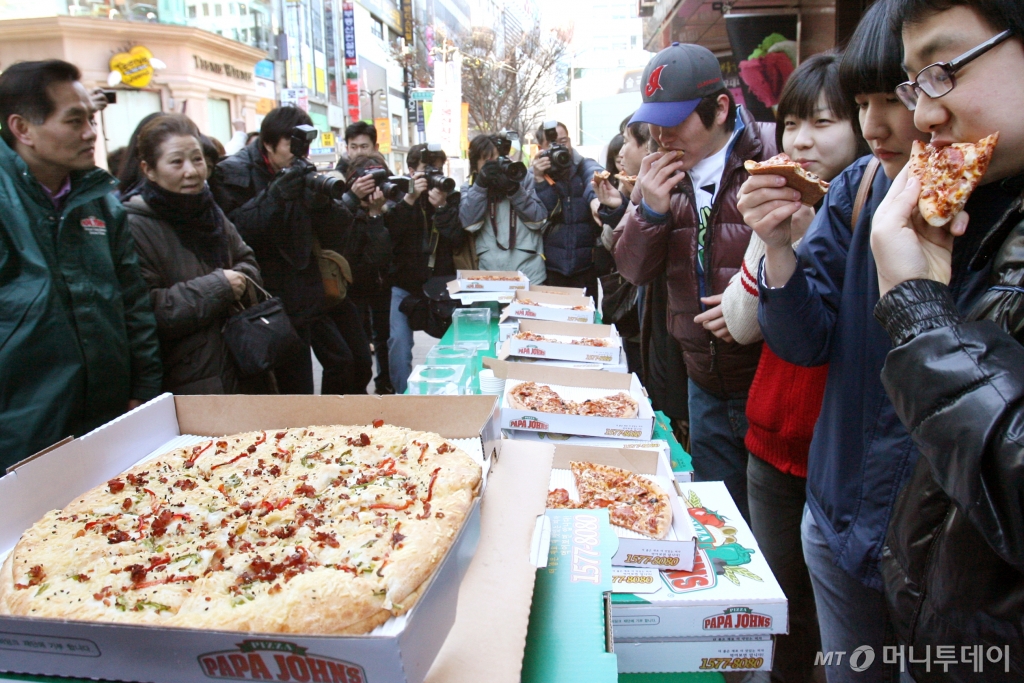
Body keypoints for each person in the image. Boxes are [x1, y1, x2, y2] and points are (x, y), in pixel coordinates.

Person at [743, 0, 1003, 678]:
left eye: (899, 96)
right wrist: (776, 250)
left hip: (946, 565)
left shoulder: (987, 209)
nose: (883, 123)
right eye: (864, 101)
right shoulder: (857, 191)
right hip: (836, 517)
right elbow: (807, 339)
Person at [867, 0, 1024, 679]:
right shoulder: (989, 211)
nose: (922, 117)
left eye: (943, 68)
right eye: (915, 83)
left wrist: (920, 316)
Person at [721, 52, 867, 683]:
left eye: (824, 121)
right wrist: (774, 237)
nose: (802, 139)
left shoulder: (874, 210)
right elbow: (741, 322)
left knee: (845, 639)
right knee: (783, 621)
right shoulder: (778, 198)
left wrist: (808, 238)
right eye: (791, 121)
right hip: (770, 444)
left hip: (843, 462)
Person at [614, 42, 778, 523]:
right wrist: (649, 211)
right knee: (722, 525)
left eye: (676, 119)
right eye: (654, 122)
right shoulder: (659, 173)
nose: (661, 135)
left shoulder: (773, 151)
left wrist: (755, 310)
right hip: (701, 381)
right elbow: (632, 270)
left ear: (721, 108)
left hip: (768, 377)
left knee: (771, 532)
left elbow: (809, 255)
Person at [0, 59, 162, 472]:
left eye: (91, 118)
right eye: (74, 121)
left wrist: (143, 389)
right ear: (22, 129)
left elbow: (132, 300)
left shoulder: (101, 201)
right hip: (23, 431)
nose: (91, 133)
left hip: (107, 417)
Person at [213, 106, 357, 395]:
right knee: (274, 391)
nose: (299, 153)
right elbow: (232, 233)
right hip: (258, 301)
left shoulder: (298, 169)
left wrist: (322, 202)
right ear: (268, 143)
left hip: (301, 295)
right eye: (292, 145)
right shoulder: (232, 172)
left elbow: (339, 229)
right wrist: (276, 195)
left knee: (327, 371)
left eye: (304, 146)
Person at [124, 114, 262, 394]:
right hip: (188, 381)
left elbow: (247, 260)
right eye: (176, 162)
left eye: (197, 160)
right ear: (148, 170)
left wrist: (241, 280)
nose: (192, 171)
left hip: (244, 361)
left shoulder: (210, 210)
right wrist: (219, 286)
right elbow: (145, 308)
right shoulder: (133, 224)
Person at [387, 143, 462, 394]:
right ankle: (402, 396)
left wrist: (441, 207)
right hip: (405, 284)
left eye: (437, 169)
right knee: (398, 343)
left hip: (440, 285)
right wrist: (410, 199)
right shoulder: (398, 195)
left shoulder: (449, 196)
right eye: (427, 169)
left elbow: (457, 239)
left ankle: (453, 390)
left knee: (454, 340)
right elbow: (391, 235)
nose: (433, 175)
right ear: (411, 171)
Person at [343, 120, 394, 393]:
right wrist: (355, 203)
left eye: (364, 146)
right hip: (353, 286)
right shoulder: (342, 196)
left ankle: (385, 385)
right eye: (353, 146)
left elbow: (383, 254)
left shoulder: (386, 186)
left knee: (385, 340)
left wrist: (378, 214)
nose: (358, 151)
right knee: (359, 350)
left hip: (381, 283)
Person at [460, 133, 549, 283]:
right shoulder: (470, 187)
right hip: (490, 276)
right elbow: (470, 225)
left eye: (498, 158)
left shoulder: (523, 178)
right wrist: (481, 185)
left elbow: (538, 220)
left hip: (529, 274)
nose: (495, 164)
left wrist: (514, 190)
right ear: (476, 166)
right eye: (488, 160)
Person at [532, 121, 605, 297]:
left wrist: (595, 198)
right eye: (552, 144)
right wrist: (540, 180)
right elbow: (548, 212)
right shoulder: (537, 175)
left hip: (585, 266)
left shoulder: (582, 165)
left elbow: (594, 172)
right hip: (552, 267)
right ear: (541, 148)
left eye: (563, 141)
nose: (559, 147)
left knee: (585, 319)